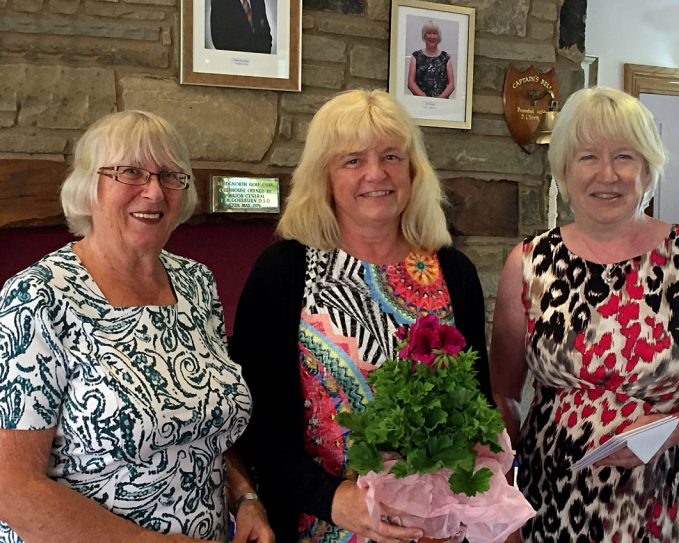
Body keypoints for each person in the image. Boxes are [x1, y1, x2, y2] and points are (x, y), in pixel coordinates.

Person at [490, 86, 679, 542]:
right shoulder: (528, 262)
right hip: (555, 502)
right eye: (587, 157)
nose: (608, 174)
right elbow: (505, 394)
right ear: (563, 169)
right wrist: (497, 492)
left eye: (624, 157)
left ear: (648, 169)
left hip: (672, 503)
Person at [0, 111, 274, 543]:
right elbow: (12, 490)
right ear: (90, 186)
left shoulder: (197, 283)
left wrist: (246, 500)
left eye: (169, 175)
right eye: (130, 172)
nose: (153, 191)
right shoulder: (39, 298)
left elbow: (211, 429)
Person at [230, 89, 490, 543]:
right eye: (352, 160)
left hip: (437, 531)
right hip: (321, 525)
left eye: (391, 156)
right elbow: (254, 419)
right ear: (324, 177)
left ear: (413, 170)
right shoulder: (284, 272)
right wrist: (331, 497)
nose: (376, 173)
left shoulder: (454, 272)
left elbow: (479, 408)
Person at [407, 20, 455, 99]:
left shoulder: (446, 58)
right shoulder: (415, 57)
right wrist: (426, 100)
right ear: (424, 35)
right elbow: (411, 84)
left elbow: (451, 85)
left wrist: (438, 101)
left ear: (438, 36)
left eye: (435, 33)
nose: (432, 36)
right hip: (420, 104)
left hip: (441, 105)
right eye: (429, 33)